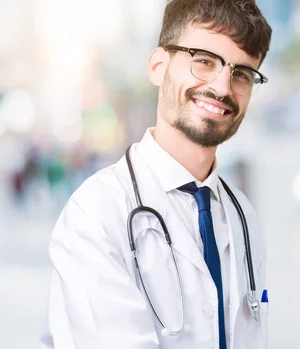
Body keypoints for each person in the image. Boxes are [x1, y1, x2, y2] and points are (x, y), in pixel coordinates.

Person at [39, 0, 272, 348]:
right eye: (204, 61)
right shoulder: (96, 213)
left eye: (241, 74)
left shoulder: (242, 215)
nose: (223, 88)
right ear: (158, 66)